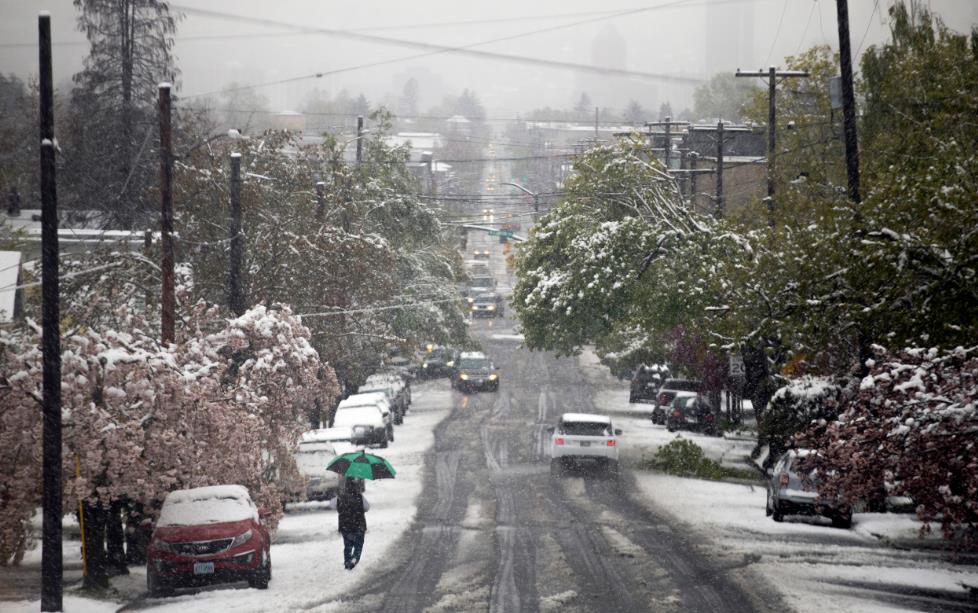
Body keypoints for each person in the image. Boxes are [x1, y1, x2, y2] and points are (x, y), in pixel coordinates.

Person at [336, 478, 369, 570]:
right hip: (358, 524)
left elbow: (333, 506)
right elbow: (367, 507)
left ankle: (347, 562)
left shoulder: (340, 497)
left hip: (345, 525)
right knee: (358, 544)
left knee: (347, 545)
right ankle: (354, 559)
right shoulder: (359, 497)